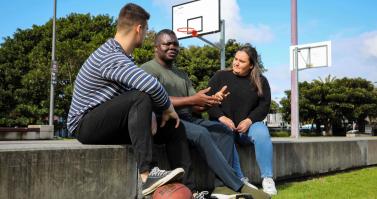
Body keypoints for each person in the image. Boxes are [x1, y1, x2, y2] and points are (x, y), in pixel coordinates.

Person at [67, 3, 191, 196]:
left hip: (110, 123)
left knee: (174, 125)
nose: (146, 33)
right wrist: (168, 107)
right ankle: (148, 173)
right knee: (141, 98)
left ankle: (187, 188)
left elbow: (134, 94)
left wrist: (151, 112)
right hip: (84, 124)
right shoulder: (110, 55)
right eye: (146, 29)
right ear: (139, 29)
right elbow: (149, 86)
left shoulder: (123, 58)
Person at [141, 29, 270, 199]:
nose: (172, 46)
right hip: (165, 121)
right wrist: (193, 99)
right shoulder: (147, 69)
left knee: (223, 131)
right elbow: (152, 100)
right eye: (167, 43)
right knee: (201, 133)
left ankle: (221, 188)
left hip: (188, 118)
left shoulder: (181, 74)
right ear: (156, 47)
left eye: (175, 44)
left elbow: (196, 106)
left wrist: (211, 101)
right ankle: (236, 183)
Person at [208, 44, 278, 195]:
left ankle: (267, 178)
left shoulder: (261, 81)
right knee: (224, 131)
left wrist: (249, 120)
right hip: (225, 127)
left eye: (241, 61)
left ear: (251, 65)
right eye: (235, 59)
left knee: (262, 132)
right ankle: (239, 178)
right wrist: (221, 117)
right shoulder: (219, 76)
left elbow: (264, 106)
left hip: (247, 129)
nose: (236, 63)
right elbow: (208, 102)